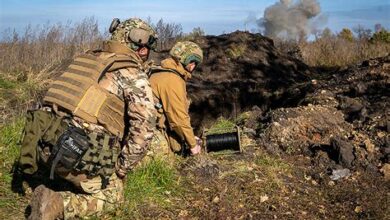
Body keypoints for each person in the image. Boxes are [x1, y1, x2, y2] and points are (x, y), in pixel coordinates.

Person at [17, 17, 157, 219]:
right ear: (142, 47)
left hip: (42, 147)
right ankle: (57, 204)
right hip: (71, 154)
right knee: (114, 197)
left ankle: (60, 177)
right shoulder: (133, 74)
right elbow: (144, 130)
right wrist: (122, 168)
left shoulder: (86, 58)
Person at [149, 41, 203, 157]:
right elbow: (179, 118)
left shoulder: (162, 70)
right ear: (184, 59)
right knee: (166, 154)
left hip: (145, 125)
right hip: (146, 130)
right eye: (192, 61)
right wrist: (193, 146)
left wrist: (189, 137)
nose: (193, 66)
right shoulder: (173, 79)